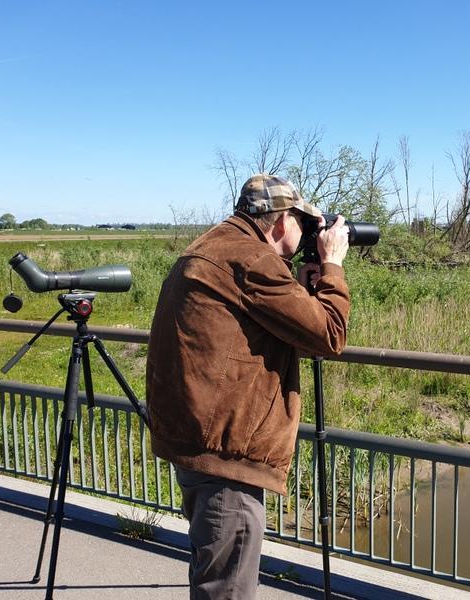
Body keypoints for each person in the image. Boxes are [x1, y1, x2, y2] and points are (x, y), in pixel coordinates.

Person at [145, 173, 351, 599]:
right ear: (280, 222)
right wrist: (332, 266)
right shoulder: (251, 260)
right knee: (227, 590)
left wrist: (304, 284)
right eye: (303, 222)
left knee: (215, 575)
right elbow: (329, 334)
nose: (310, 232)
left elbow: (267, 324)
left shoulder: (212, 246)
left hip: (202, 446)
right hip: (226, 459)